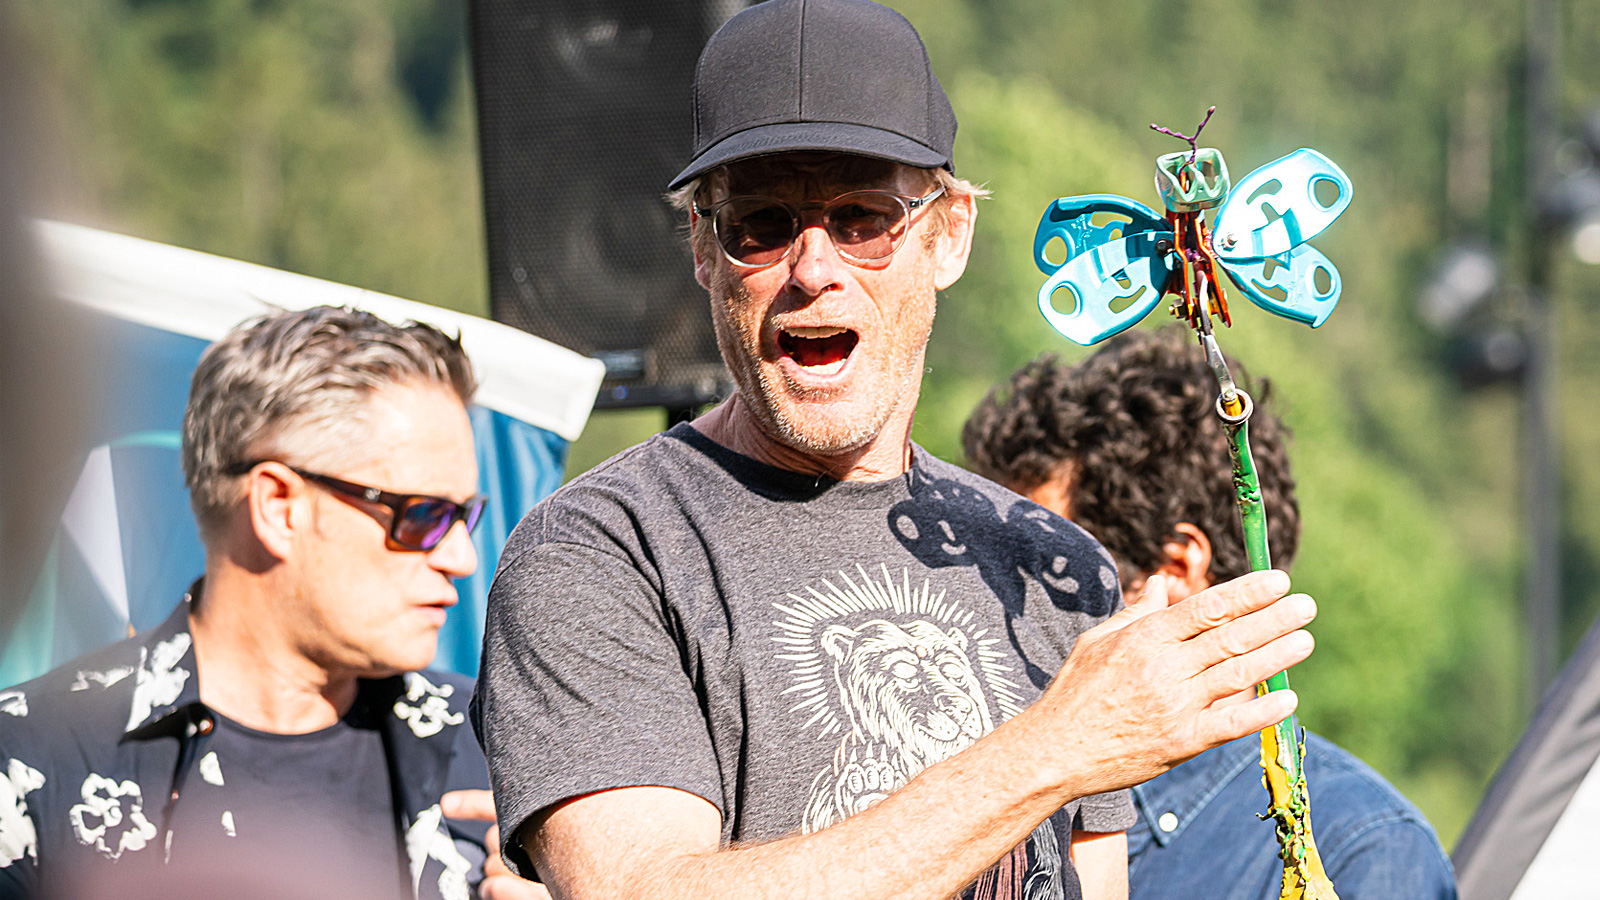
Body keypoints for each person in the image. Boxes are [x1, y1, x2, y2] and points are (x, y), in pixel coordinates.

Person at [471, 3, 1318, 899]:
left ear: (950, 235)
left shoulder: (1053, 564)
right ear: (702, 250)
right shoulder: (599, 554)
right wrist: (1053, 747)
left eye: (863, 219)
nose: (813, 270)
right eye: (760, 224)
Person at [0, 306, 538, 900]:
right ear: (278, 507)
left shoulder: (502, 745)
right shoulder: (27, 762)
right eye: (424, 515)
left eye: (465, 516)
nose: (462, 557)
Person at [961, 327, 1457, 900]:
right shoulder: (983, 799)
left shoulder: (1367, 851)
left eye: (1034, 568)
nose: (992, 599)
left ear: (1176, 569)